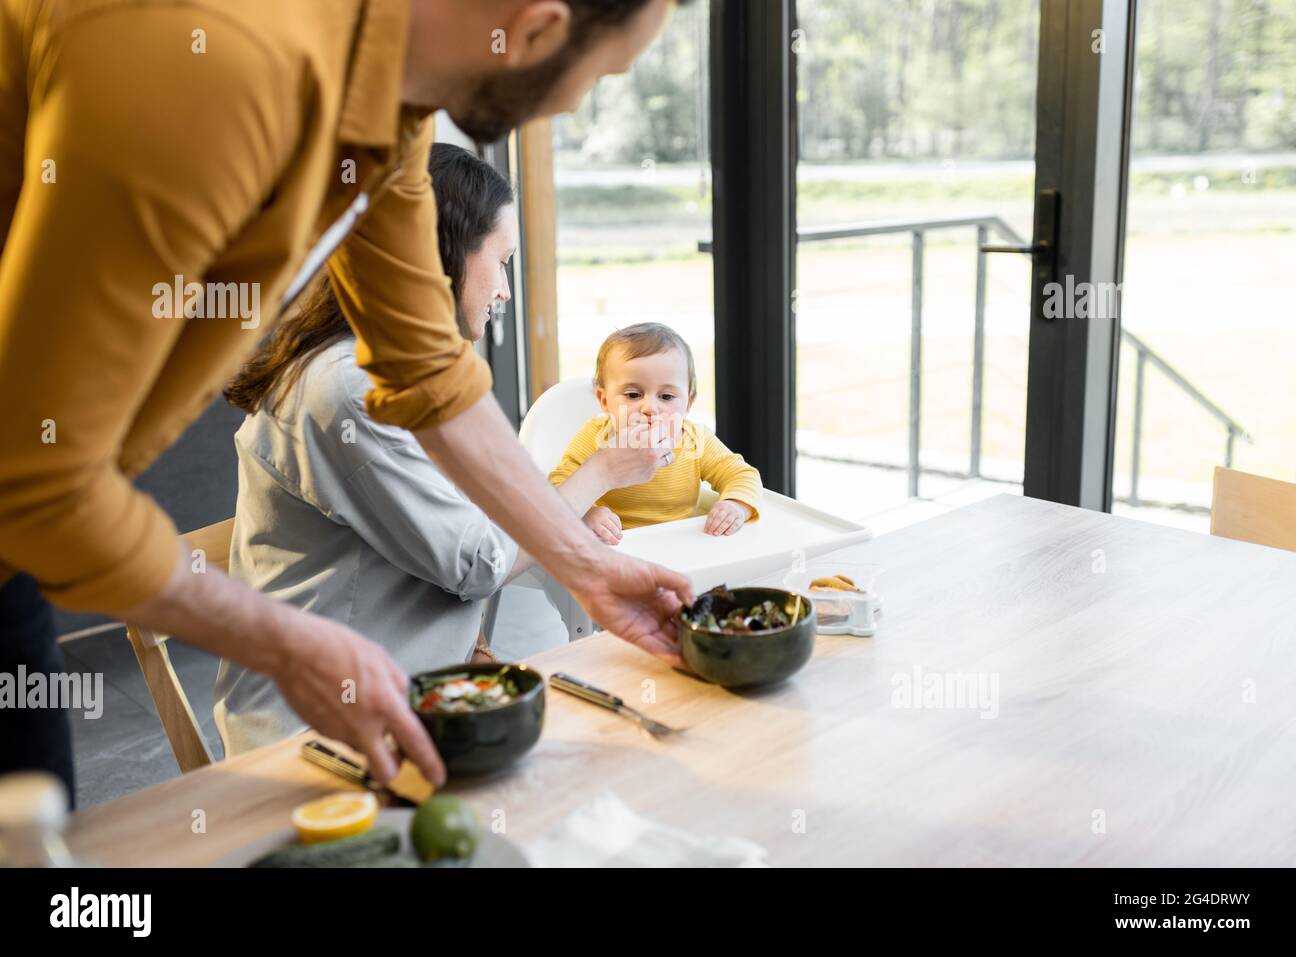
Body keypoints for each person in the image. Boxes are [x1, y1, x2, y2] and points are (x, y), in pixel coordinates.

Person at [0, 0, 696, 796]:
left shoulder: (387, 116)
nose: (577, 103)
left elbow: (428, 369)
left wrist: (589, 566)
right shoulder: (216, 67)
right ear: (537, 29)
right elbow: (38, 478)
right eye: (603, 72)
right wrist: (290, 645)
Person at [214, 145, 615, 754]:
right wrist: (600, 472)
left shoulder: (402, 369)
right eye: (502, 262)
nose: (504, 290)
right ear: (447, 254)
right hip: (319, 737)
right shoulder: (348, 389)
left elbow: (476, 513)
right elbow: (476, 562)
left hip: (419, 689)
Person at [549, 323, 762, 538]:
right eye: (633, 395)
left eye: (667, 397)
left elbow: (742, 474)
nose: (650, 408)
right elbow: (559, 485)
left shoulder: (695, 440)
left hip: (681, 545)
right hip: (617, 547)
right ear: (604, 400)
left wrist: (735, 505)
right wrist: (585, 513)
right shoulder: (597, 437)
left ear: (688, 403)